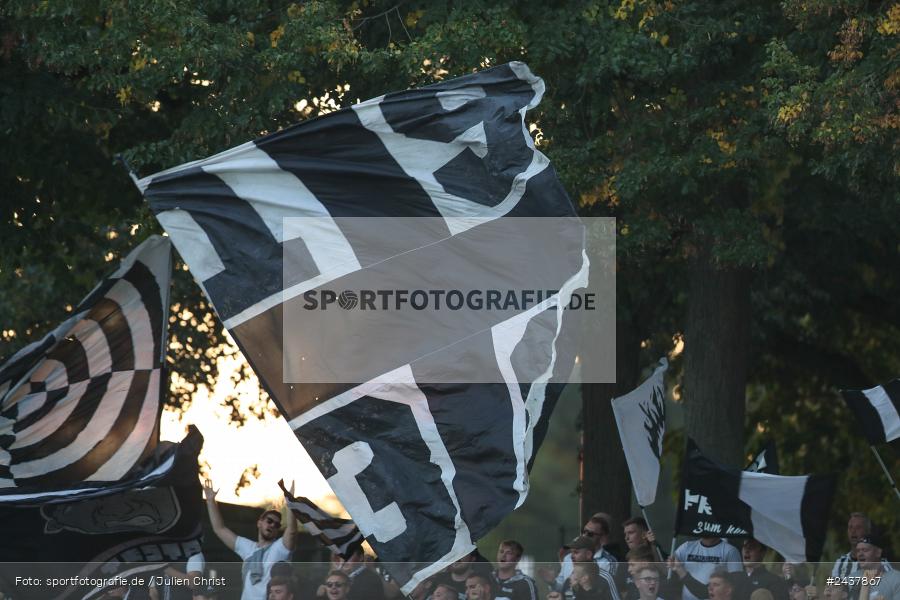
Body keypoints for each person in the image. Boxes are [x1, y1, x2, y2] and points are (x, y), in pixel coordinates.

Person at [202, 479, 297, 600]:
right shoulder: (248, 548)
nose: (273, 525)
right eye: (269, 521)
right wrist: (210, 501)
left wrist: (291, 503)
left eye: (277, 525)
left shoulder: (279, 548)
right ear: (259, 523)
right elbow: (219, 529)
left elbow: (292, 531)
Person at [670, 537, 742, 600]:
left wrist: (680, 571)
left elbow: (704, 593)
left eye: (716, 584)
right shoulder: (686, 546)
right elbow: (668, 572)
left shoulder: (730, 551)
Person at [832, 514, 893, 579]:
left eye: (858, 528)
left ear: (867, 531)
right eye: (850, 527)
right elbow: (833, 584)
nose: (853, 531)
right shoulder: (841, 562)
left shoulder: (881, 564)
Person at [850, 531, 900, 600]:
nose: (860, 554)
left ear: (878, 553)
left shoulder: (896, 578)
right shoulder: (851, 579)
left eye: (865, 550)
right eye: (858, 551)